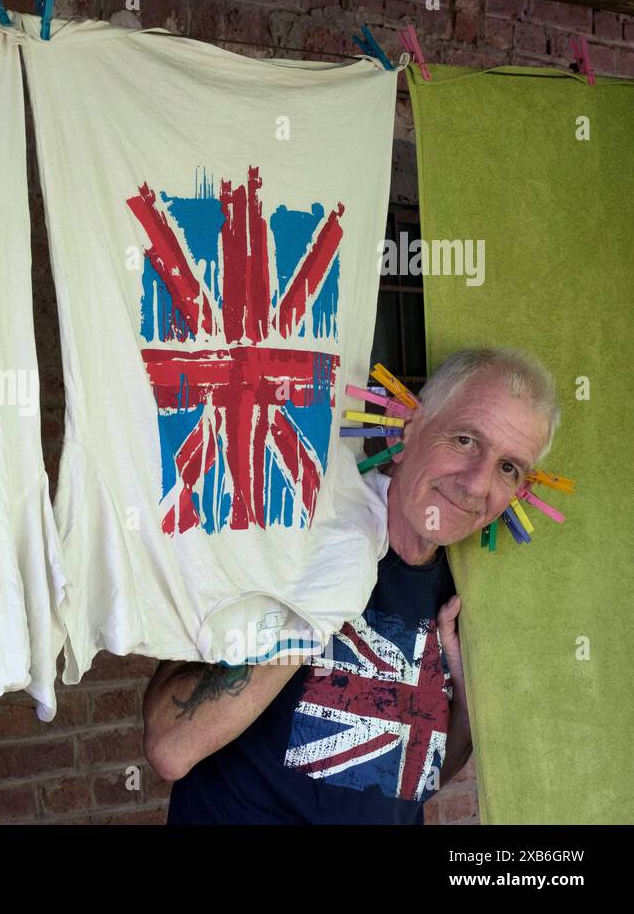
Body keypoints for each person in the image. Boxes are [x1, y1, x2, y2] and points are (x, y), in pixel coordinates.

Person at [145, 348, 560, 823]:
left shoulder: (464, 592)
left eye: (509, 467)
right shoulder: (287, 536)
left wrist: (465, 691)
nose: (476, 484)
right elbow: (170, 747)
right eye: (465, 440)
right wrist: (317, 604)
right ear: (409, 431)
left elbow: (416, 780)